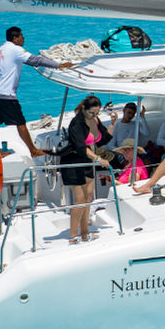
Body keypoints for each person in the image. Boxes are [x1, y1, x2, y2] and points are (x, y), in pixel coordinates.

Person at [0, 26, 74, 157]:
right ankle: (33, 151)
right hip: (5, 94)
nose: (24, 39)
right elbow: (36, 60)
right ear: (15, 38)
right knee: (20, 123)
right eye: (22, 36)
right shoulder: (16, 49)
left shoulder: (3, 47)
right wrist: (58, 65)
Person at [59, 95, 113, 244]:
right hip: (73, 161)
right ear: (84, 109)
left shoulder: (95, 120)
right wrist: (98, 159)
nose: (95, 116)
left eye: (97, 113)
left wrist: (113, 123)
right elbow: (81, 147)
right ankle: (72, 236)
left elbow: (103, 139)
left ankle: (85, 233)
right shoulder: (76, 123)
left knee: (88, 198)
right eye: (92, 113)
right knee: (80, 199)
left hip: (87, 161)